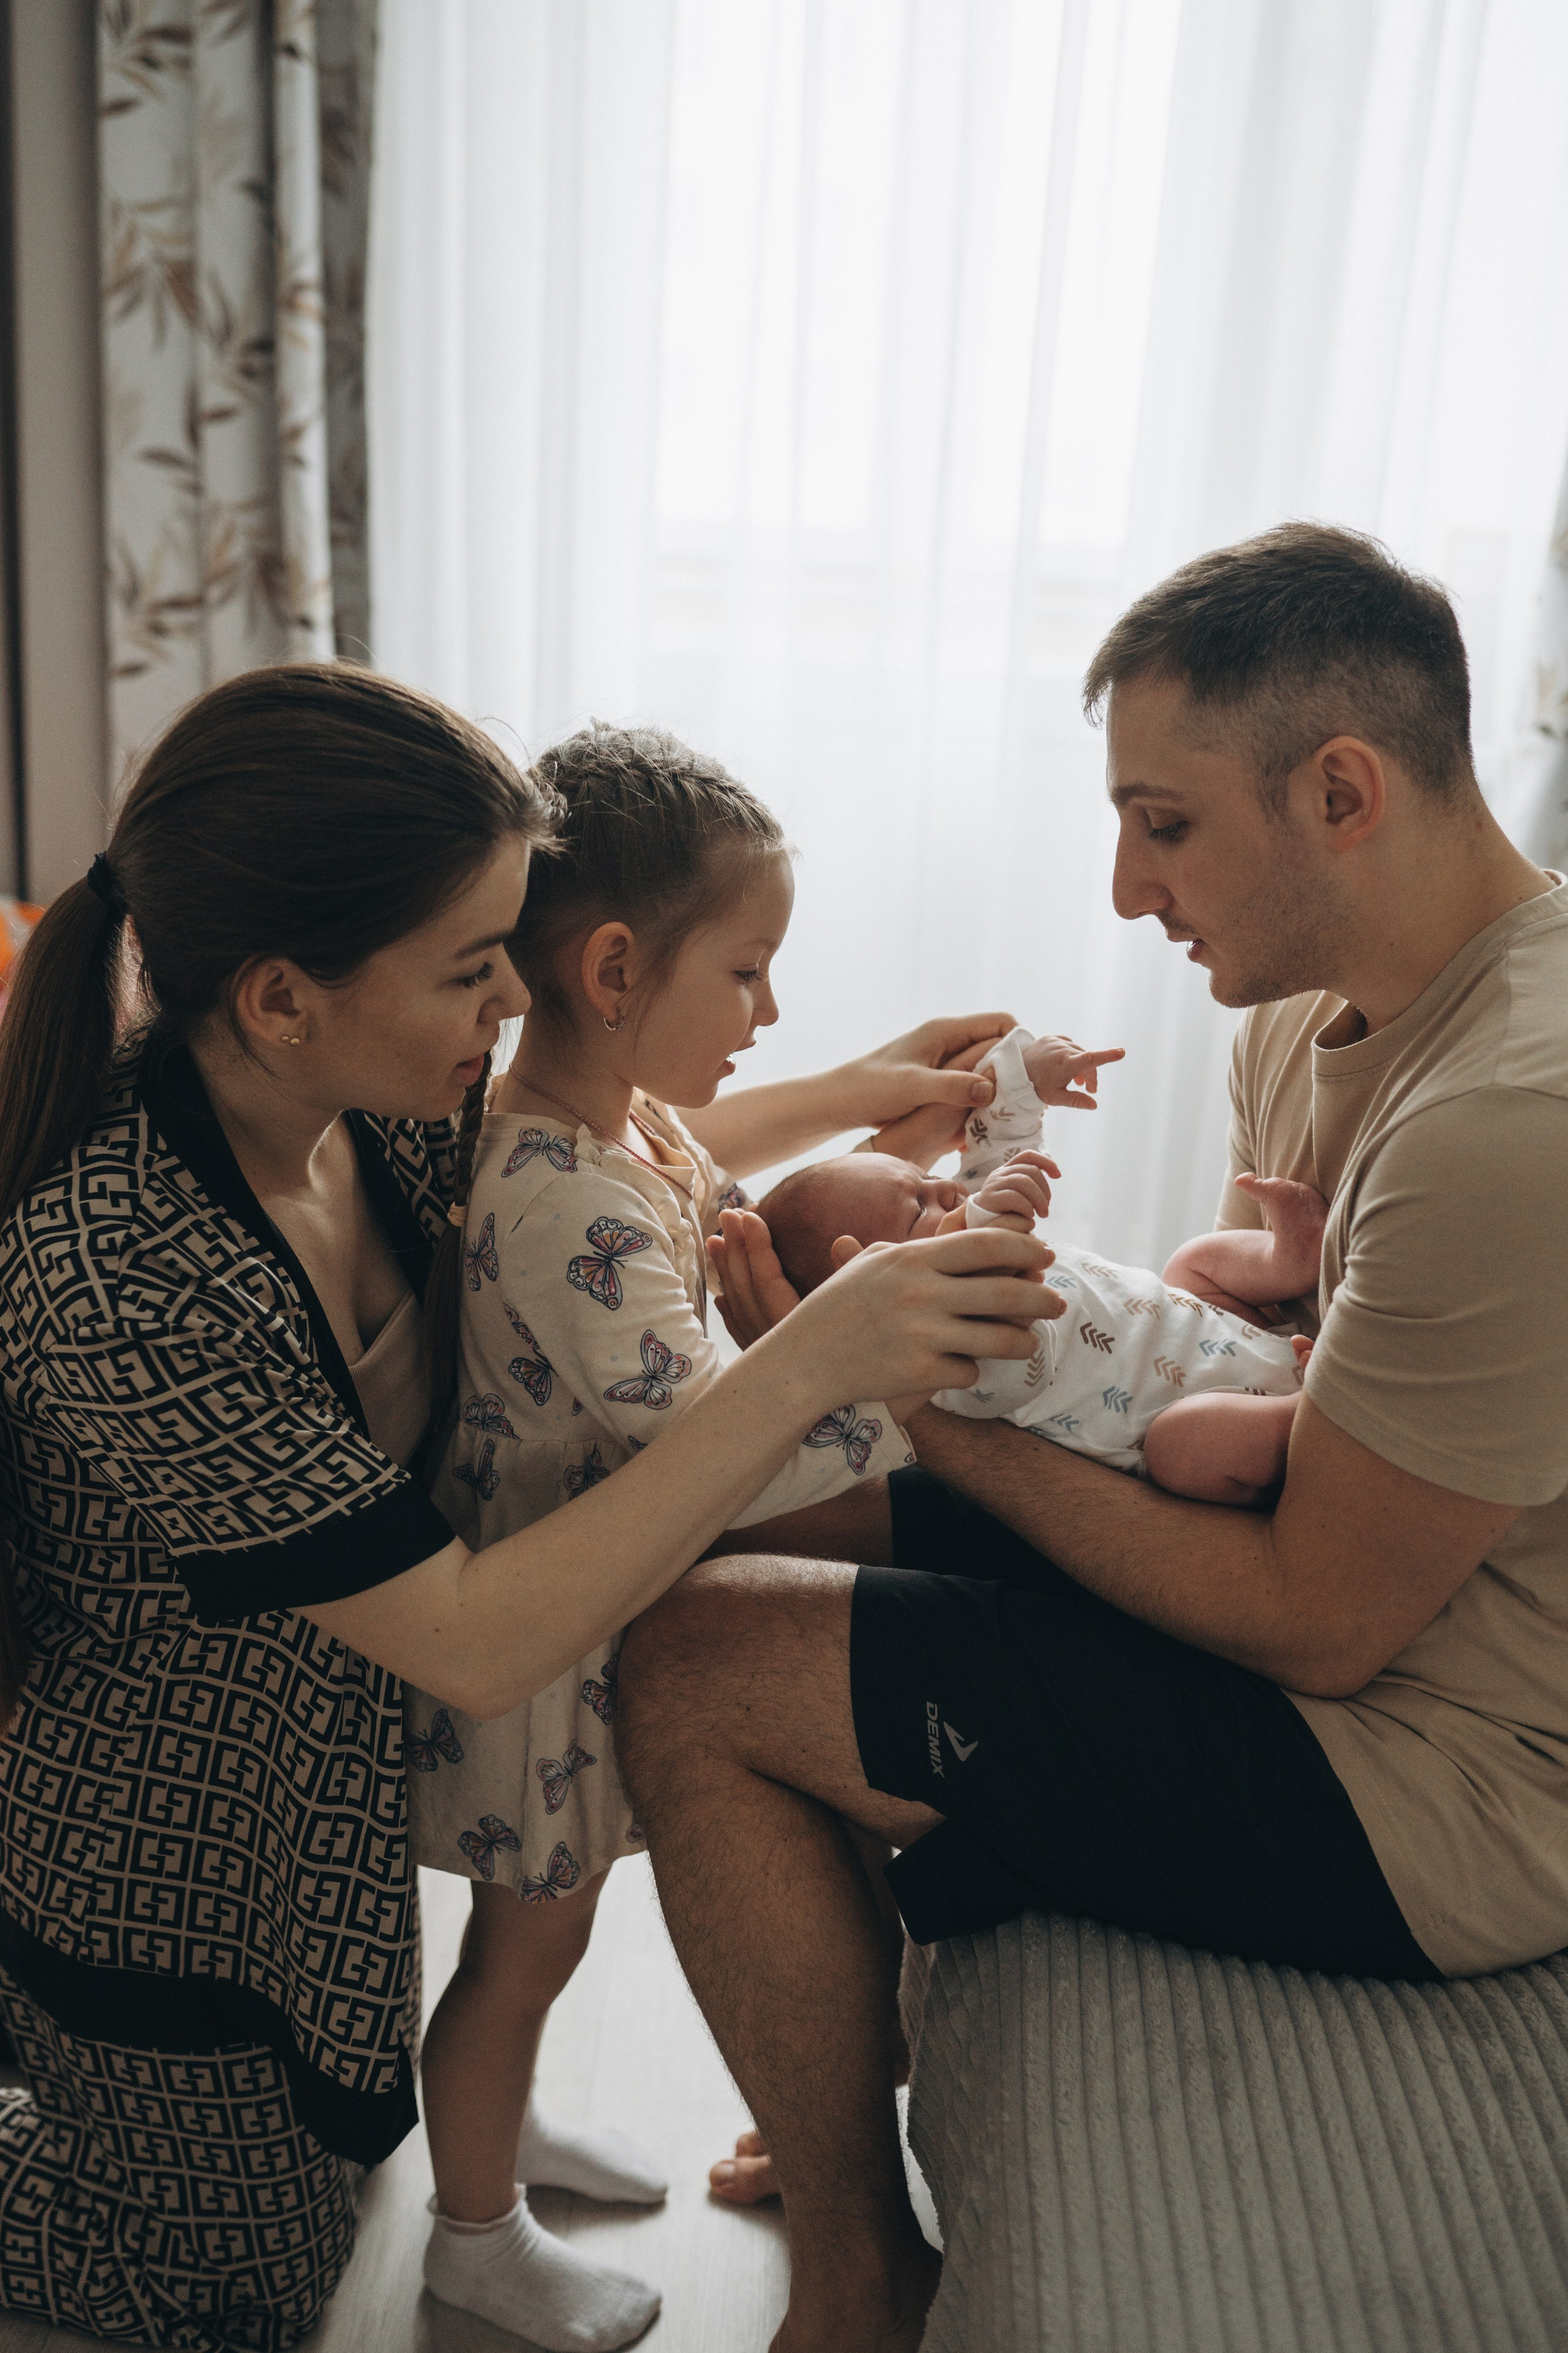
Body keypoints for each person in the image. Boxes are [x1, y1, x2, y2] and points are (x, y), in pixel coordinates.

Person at [0, 662, 1050, 2350]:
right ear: (283, 996)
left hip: (324, 1790)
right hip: (175, 1844)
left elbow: (600, 1142)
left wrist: (860, 1090)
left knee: (370, 2147)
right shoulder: (123, 1267)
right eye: (478, 966)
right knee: (232, 2290)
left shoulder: (384, 1112)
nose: (519, 994)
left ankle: (446, 2153)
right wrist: (802, 1366)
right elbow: (479, 1642)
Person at [612, 521, 1568, 2353]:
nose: (1127, 888)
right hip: (1356, 1611)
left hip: (1439, 1771)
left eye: (1163, 820)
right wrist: (1036, 1322)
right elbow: (1255, 1353)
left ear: (1341, 788)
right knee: (727, 1534)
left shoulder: (1509, 1115)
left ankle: (852, 2274)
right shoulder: (1315, 1011)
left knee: (697, 1661)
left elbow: (1316, 1618)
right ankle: (837, 2033)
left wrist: (900, 1393)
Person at [411, 723, 971, 2345]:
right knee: (520, 1957)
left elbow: (708, 1168)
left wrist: (888, 1097)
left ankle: (497, 2136)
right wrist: (898, 1383)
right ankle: (470, 2230)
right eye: (749, 970)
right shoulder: (561, 1190)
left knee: (546, 1940)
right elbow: (714, 1436)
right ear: (608, 968)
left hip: (605, 1603)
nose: (770, 1012)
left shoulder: (619, 1129)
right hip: (548, 1641)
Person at [758, 1134, 1318, 1505]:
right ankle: (1310, 1409)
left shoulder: (974, 1214)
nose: (951, 1192)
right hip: (1215, 1416)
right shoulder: (942, 1367)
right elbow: (1021, 1364)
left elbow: (998, 1153)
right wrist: (976, 1224)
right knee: (1180, 1446)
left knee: (1191, 1262)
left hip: (1223, 1336)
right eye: (918, 1209)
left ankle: (1287, 1262)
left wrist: (1026, 1079)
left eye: (928, 1177)